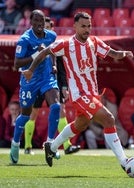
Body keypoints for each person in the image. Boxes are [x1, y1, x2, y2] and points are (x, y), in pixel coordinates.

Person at [22, 12, 134, 170]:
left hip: (92, 93)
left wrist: (123, 53)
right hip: (79, 94)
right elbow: (44, 52)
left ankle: (51, 147)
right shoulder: (66, 44)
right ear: (74, 26)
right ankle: (124, 162)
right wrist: (31, 70)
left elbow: (112, 53)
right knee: (108, 118)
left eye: (89, 26)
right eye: (83, 26)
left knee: (82, 124)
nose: (87, 29)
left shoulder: (94, 42)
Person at [9, 9, 62, 164]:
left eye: (42, 20)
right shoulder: (24, 39)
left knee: (56, 106)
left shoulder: (51, 35)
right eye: (36, 21)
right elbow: (16, 64)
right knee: (25, 116)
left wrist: (53, 65)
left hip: (46, 78)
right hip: (29, 80)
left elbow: (51, 51)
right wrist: (35, 55)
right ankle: (15, 143)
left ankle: (51, 144)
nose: (39, 24)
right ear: (30, 22)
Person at [23, 16, 80, 155]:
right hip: (37, 83)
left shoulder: (56, 46)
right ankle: (27, 146)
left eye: (48, 28)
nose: (45, 30)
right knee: (33, 113)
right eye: (44, 27)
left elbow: (62, 68)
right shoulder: (33, 44)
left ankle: (67, 146)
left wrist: (65, 86)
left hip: (52, 83)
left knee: (61, 110)